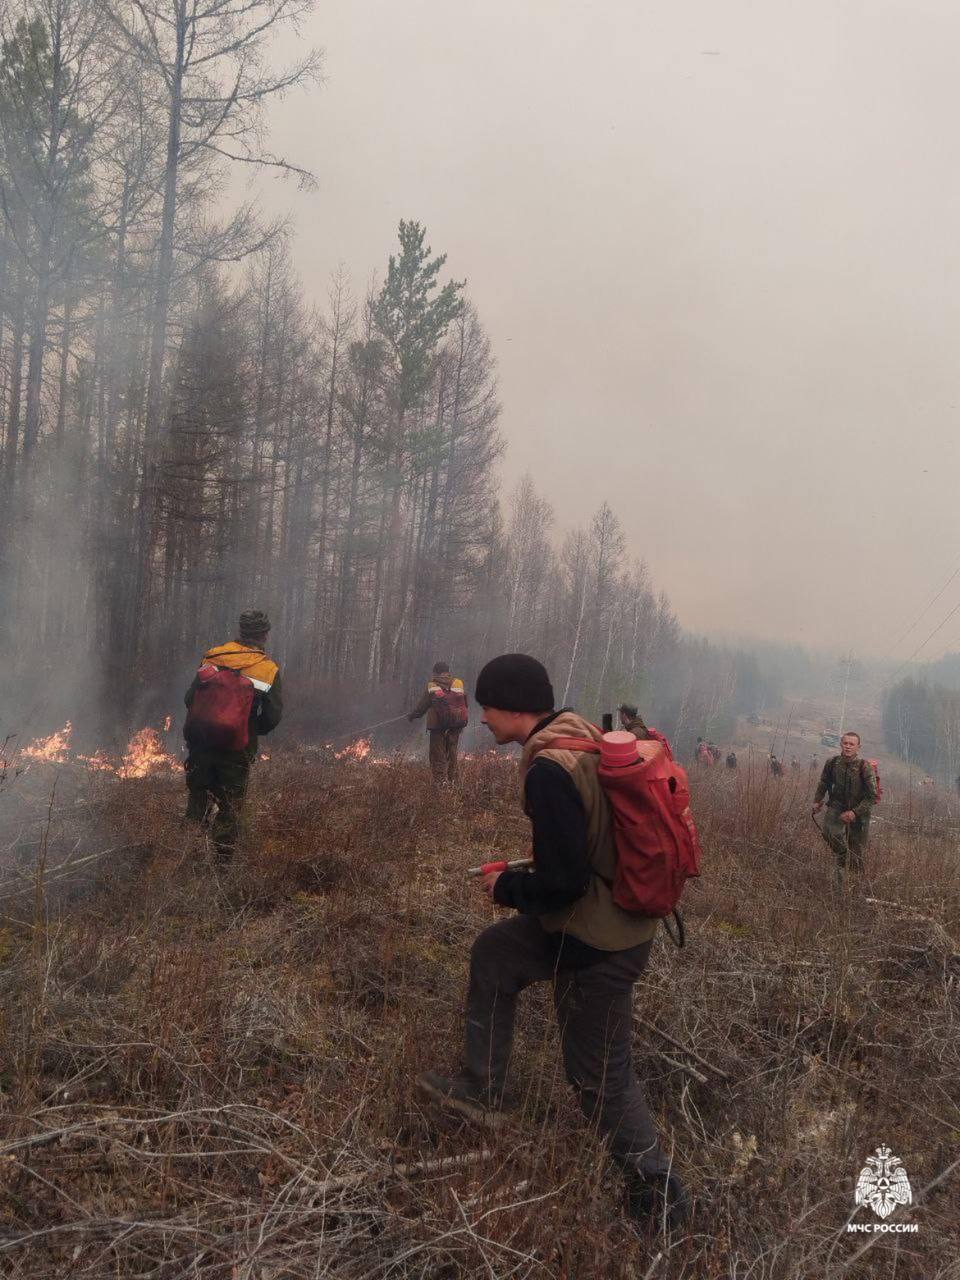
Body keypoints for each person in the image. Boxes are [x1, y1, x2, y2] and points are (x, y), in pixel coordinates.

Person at [417, 653, 690, 1232]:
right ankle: (479, 1089)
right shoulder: (581, 736)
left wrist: (506, 885)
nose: (481, 718)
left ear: (514, 707)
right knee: (495, 955)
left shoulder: (549, 769)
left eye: (487, 707)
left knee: (598, 1076)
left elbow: (562, 883)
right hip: (602, 921)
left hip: (600, 940)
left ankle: (663, 1202)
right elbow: (585, 843)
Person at [183, 610, 282, 863]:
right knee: (230, 806)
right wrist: (246, 728)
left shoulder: (213, 656)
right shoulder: (267, 669)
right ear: (265, 634)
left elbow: (189, 699)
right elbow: (271, 717)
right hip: (237, 750)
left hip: (201, 744)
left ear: (240, 631)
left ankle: (187, 855)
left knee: (198, 797)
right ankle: (222, 867)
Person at [812, 731, 877, 873]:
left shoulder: (865, 767)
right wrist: (817, 800)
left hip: (859, 811)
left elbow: (872, 796)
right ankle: (842, 856)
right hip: (837, 806)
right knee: (828, 832)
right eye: (845, 743)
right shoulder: (832, 763)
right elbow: (824, 782)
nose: (848, 746)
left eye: (851, 744)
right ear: (841, 744)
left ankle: (855, 883)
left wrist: (855, 813)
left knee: (856, 852)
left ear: (858, 747)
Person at [408, 661, 468, 784]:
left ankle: (440, 784)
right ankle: (454, 783)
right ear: (448, 672)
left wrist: (413, 715)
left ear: (435, 672)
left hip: (437, 727)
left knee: (438, 756)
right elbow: (464, 704)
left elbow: (422, 707)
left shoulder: (432, 685)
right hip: (455, 726)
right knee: (452, 755)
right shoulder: (458, 683)